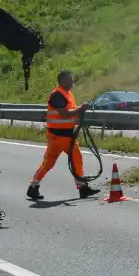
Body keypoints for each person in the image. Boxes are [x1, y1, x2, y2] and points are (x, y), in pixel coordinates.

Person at [27, 70, 101, 200]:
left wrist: (80, 113)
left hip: (66, 136)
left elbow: (70, 114)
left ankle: (82, 188)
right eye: (70, 79)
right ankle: (33, 187)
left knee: (75, 159)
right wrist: (81, 109)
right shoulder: (57, 94)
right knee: (49, 163)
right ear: (62, 80)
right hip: (58, 136)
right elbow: (64, 114)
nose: (72, 81)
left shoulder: (68, 94)